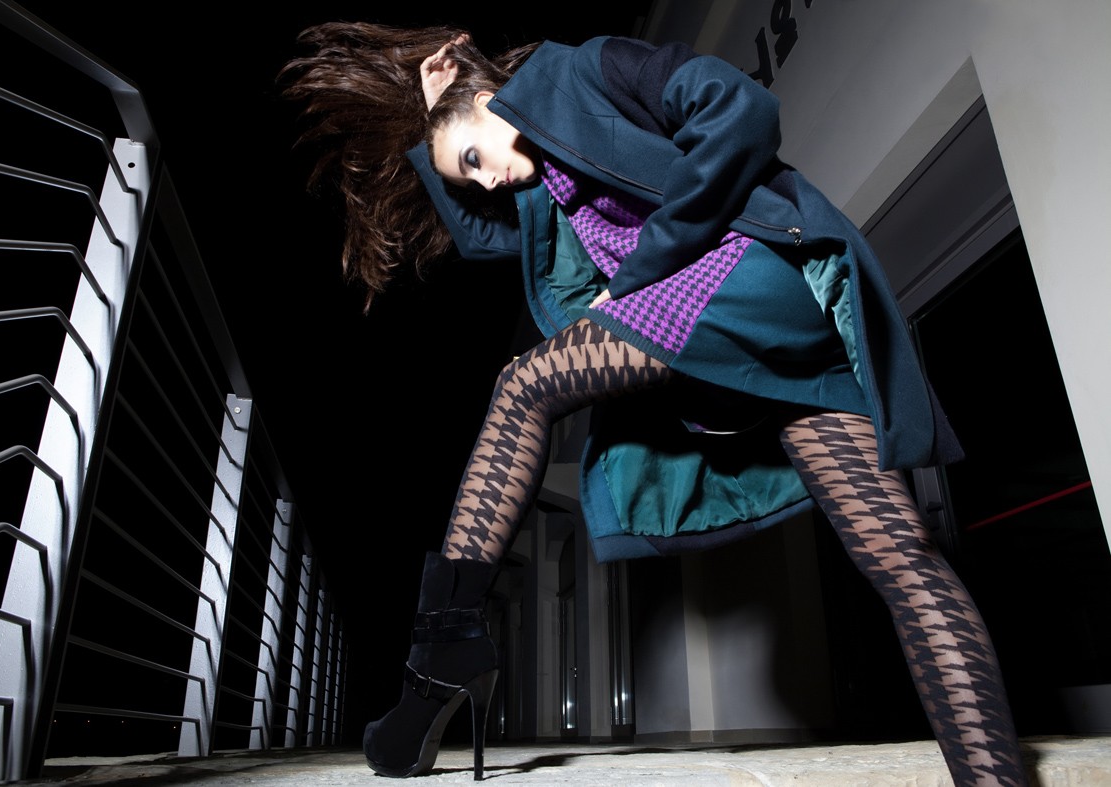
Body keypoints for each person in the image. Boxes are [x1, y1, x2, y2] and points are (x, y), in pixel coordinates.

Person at [279, 22, 1028, 786]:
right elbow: (477, 238)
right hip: (768, 350)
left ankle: (435, 661)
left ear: (486, 94)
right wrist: (431, 123)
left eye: (473, 157)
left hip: (743, 275)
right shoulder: (546, 187)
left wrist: (640, 268)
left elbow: (740, 110)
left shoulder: (588, 70)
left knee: (522, 386)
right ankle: (992, 775)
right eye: (468, 176)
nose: (486, 182)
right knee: (902, 557)